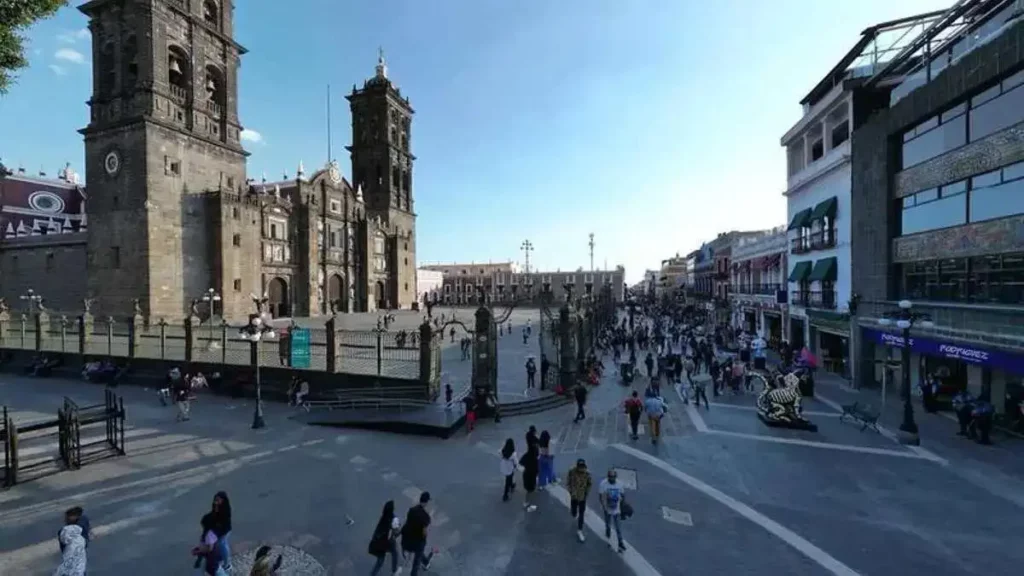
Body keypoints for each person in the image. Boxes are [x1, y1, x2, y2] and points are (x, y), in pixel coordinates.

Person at [400, 492, 437, 576]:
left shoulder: (411, 510)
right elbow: (424, 533)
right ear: (427, 502)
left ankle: (426, 562)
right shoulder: (426, 517)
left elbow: (407, 523)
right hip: (416, 543)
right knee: (417, 561)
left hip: (407, 541)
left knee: (420, 550)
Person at [368, 500, 402, 576]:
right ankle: (394, 571)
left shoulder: (383, 517)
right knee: (394, 552)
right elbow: (396, 533)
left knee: (380, 560)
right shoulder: (393, 519)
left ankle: (373, 574)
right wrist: (401, 530)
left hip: (377, 542)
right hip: (385, 542)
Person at [598, 469, 627, 553]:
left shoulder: (620, 484)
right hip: (607, 508)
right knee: (608, 523)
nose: (612, 478)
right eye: (610, 477)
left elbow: (623, 495)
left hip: (617, 509)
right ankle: (607, 531)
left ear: (615, 477)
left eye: (613, 477)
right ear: (608, 477)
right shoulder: (603, 484)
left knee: (618, 527)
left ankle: (620, 542)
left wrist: (622, 507)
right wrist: (604, 506)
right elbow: (600, 496)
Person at [566, 458, 593, 543]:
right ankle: (574, 514)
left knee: (582, 513)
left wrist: (586, 493)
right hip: (574, 496)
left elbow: (589, 484)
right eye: (580, 467)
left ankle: (580, 530)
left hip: (582, 497)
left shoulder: (587, 473)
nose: (581, 469)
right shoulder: (572, 471)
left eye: (582, 467)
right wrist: (570, 491)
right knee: (573, 512)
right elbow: (568, 482)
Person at [209, 491, 233, 572]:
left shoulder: (226, 509)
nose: (216, 501)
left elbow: (224, 524)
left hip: (224, 530)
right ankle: (221, 558)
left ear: (223, 500)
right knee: (219, 544)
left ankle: (227, 564)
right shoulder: (216, 506)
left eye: (218, 500)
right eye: (216, 500)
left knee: (222, 544)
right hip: (218, 530)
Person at [519, 442, 539, 512]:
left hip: (526, 474)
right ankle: (529, 502)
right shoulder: (536, 460)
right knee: (531, 489)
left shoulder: (526, 455)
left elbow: (520, 462)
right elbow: (537, 470)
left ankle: (527, 502)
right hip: (532, 476)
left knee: (528, 489)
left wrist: (526, 465)